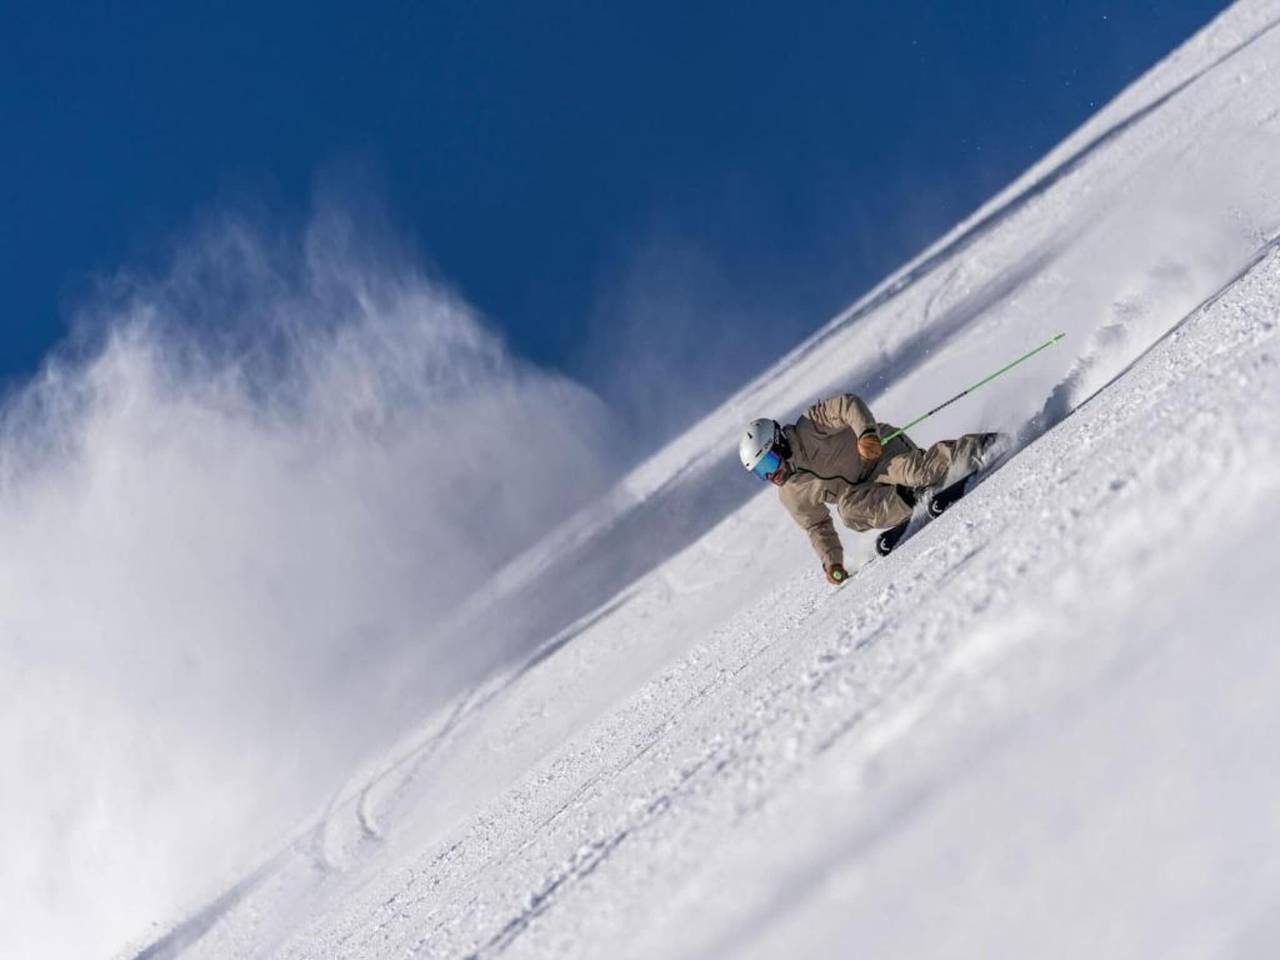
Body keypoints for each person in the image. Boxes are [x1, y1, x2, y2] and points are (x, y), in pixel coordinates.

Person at [738, 393, 1000, 584]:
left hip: (880, 454)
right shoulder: (791, 493)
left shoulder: (809, 426)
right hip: (864, 491)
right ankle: (915, 497)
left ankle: (981, 446)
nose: (773, 475)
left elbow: (847, 404)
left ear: (779, 443)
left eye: (770, 462)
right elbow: (816, 526)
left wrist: (866, 434)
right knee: (848, 512)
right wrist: (832, 562)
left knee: (918, 471)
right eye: (762, 473)